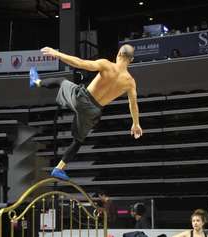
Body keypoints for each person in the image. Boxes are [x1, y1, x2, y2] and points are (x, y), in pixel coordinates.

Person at [30, 44, 143, 180]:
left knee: (61, 81)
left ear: (119, 53)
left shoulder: (106, 65)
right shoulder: (130, 82)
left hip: (82, 99)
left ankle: (36, 81)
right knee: (78, 141)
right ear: (131, 60)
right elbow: (133, 104)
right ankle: (59, 168)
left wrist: (58, 54)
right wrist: (136, 124)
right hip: (93, 111)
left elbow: (80, 63)